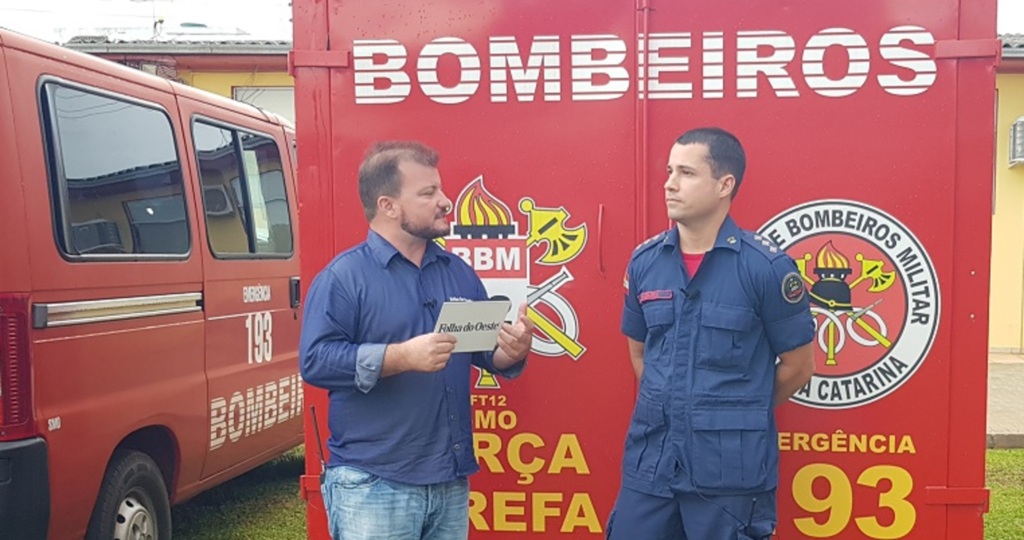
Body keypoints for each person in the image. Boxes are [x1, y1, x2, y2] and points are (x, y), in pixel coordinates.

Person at [300, 141, 534, 540]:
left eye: (440, 190)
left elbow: (481, 349)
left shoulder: (457, 272)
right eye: (428, 193)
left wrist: (508, 353)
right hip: (374, 482)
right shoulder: (343, 278)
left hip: (448, 479)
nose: (445, 202)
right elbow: (316, 362)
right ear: (388, 205)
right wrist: (400, 357)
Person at [607, 127, 816, 540]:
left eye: (686, 172)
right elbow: (640, 354)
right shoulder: (646, 262)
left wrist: (735, 413)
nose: (669, 183)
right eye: (669, 171)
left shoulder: (766, 269)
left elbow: (799, 365)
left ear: (725, 184)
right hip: (652, 467)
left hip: (729, 476)